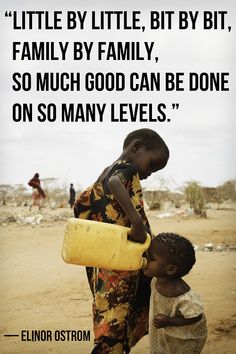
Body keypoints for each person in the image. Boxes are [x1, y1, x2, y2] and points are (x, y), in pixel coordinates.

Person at [74, 128, 169, 354]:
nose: (150, 172)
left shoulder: (104, 173)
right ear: (136, 148)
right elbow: (117, 183)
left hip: (106, 260)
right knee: (116, 322)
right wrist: (136, 222)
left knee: (112, 315)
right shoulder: (126, 169)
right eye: (152, 164)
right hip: (119, 264)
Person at [143, 233, 207, 354]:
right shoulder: (156, 280)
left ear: (171, 269)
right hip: (165, 332)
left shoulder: (184, 296)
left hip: (184, 339)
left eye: (151, 258)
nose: (145, 260)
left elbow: (195, 316)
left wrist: (169, 321)